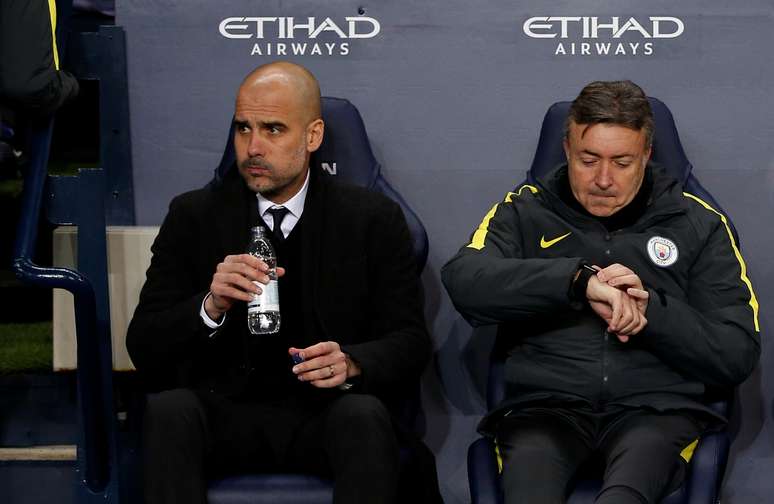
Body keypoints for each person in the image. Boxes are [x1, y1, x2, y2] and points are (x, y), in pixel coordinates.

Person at [127, 61, 440, 504]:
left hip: (325, 414)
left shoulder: (372, 219)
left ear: (312, 136)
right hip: (226, 412)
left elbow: (410, 341)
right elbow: (143, 345)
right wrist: (209, 306)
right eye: (243, 129)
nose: (253, 147)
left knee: (364, 415)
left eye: (273, 130)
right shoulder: (193, 216)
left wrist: (352, 361)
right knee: (168, 411)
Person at [442, 80, 760, 504]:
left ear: (646, 156)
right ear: (567, 150)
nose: (603, 180)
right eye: (588, 160)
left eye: (622, 162)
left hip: (655, 412)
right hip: (545, 410)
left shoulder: (699, 224)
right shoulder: (524, 211)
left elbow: (735, 352)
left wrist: (654, 313)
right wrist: (574, 283)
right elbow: (465, 279)